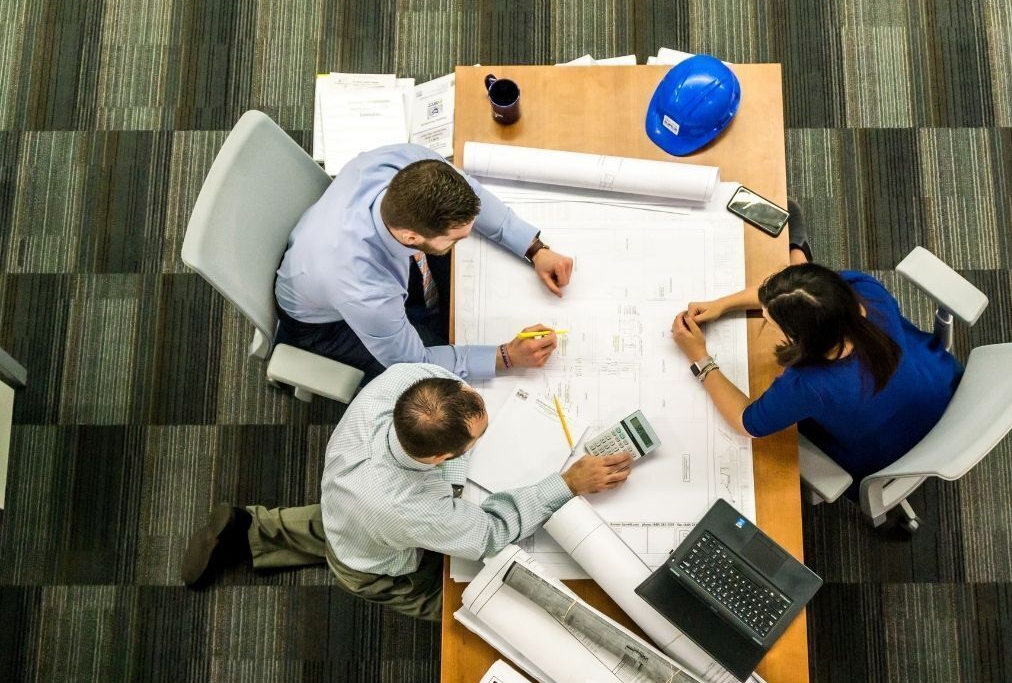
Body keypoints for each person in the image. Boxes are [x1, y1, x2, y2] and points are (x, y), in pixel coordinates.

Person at [180, 363, 633, 621]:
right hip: (376, 562)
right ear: (440, 458)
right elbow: (489, 534)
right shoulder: (408, 508)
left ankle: (251, 528)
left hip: (347, 501)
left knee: (341, 523)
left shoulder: (404, 381)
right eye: (477, 437)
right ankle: (466, 615)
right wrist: (567, 483)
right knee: (465, 605)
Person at [670, 202, 962, 499]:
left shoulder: (808, 386)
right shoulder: (863, 289)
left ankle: (798, 248)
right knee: (795, 256)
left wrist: (700, 358)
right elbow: (796, 296)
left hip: (890, 455)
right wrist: (722, 304)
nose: (765, 321)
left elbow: (748, 423)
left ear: (801, 339)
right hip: (943, 387)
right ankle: (799, 249)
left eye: (770, 322)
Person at [275, 143, 577, 382]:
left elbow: (472, 193)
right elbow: (413, 363)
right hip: (326, 324)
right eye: (456, 238)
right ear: (410, 237)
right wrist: (506, 356)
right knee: (436, 385)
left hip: (328, 254)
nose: (466, 239)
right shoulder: (364, 289)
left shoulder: (408, 163)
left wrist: (533, 248)